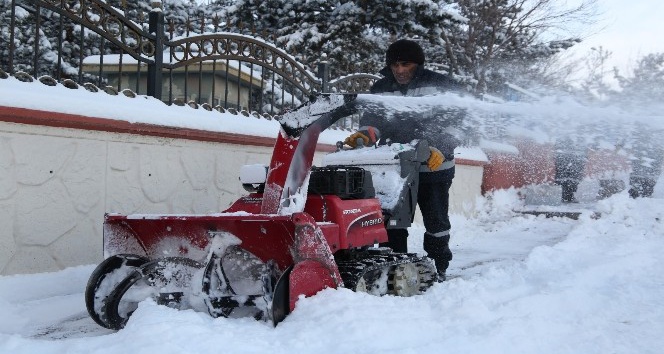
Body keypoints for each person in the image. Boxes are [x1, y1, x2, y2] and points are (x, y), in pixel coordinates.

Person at [345, 39, 463, 281]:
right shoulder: (381, 88)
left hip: (435, 166)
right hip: (395, 168)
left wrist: (440, 147)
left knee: (436, 221)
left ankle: (438, 267)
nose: (399, 70)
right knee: (393, 220)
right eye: (394, 65)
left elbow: (457, 124)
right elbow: (374, 121)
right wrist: (367, 133)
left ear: (417, 64)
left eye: (405, 64)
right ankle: (395, 268)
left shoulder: (440, 85)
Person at [553, 137, 587, 203]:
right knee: (569, 184)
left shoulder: (562, 152)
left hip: (566, 172)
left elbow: (558, 162)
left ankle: (567, 197)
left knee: (566, 184)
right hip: (570, 171)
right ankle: (568, 197)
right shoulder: (570, 153)